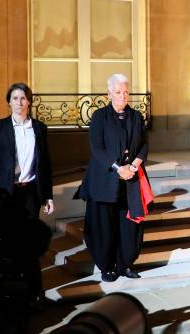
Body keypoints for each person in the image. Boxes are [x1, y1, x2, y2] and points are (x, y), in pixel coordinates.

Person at [78, 73, 149, 282]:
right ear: (109, 94)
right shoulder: (100, 116)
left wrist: (135, 164)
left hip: (130, 180)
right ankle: (107, 266)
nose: (123, 96)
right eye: (118, 92)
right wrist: (119, 168)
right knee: (104, 226)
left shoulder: (136, 116)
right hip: (105, 180)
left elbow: (144, 143)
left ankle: (125, 264)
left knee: (128, 226)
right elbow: (97, 148)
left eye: (126, 92)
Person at [0, 82, 54, 219]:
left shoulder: (39, 128)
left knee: (29, 235)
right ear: (9, 102)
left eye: (23, 98)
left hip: (31, 192)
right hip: (3, 191)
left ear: (29, 102)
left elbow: (45, 164)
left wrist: (48, 196)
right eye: (15, 98)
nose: (19, 102)